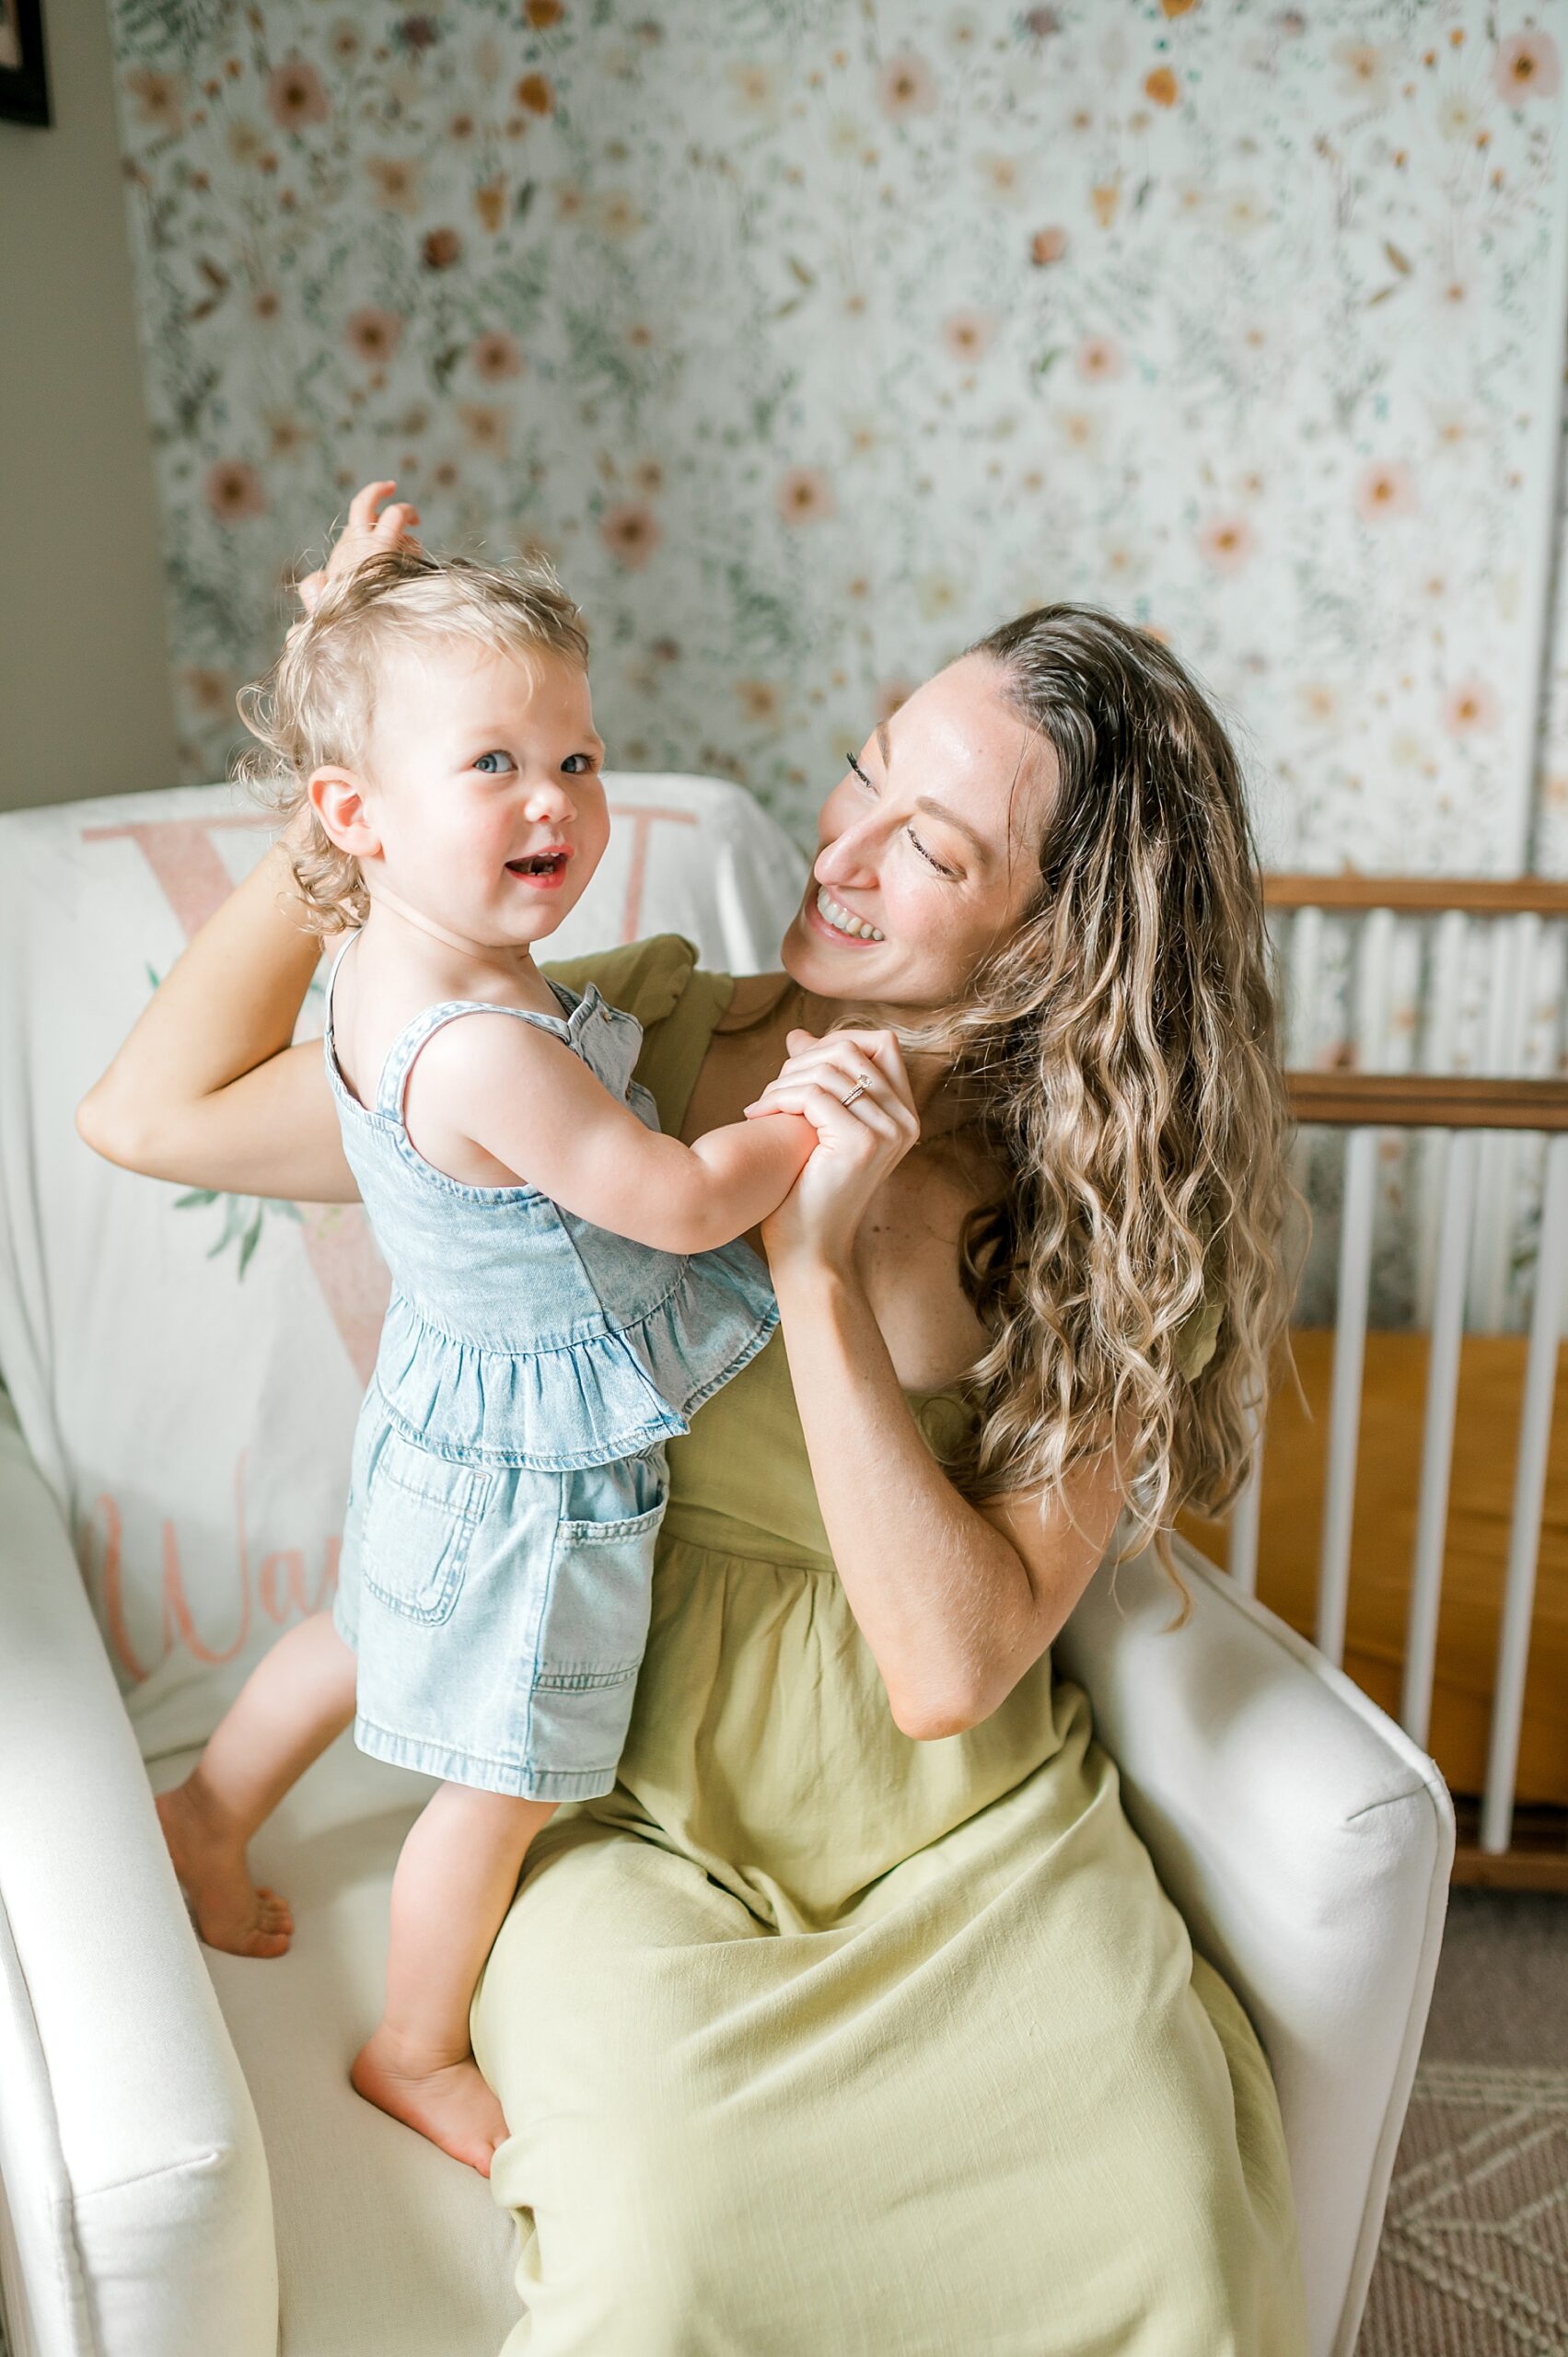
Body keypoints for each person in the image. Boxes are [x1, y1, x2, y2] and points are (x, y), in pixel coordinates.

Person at [80, 482, 1310, 2352]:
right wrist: (358, 789)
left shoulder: (1110, 1228)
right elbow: (150, 1118)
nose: (848, 851)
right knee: (672, 2249)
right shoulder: (614, 1045)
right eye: (862, 773)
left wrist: (812, 1267)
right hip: (617, 1789)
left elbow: (947, 1667)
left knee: (1166, 2209)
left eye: (941, 848)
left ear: (1059, 938)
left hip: (954, 1837)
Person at [84, 525, 817, 2176]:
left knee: (361, 1626)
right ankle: (414, 2048)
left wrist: (345, 635)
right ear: (357, 816)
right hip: (533, 1473)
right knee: (505, 1779)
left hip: (441, 1411)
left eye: (575, 754)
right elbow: (683, 1201)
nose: (551, 796)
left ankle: (205, 1809)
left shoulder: (381, 966)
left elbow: (381, 808)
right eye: (494, 762)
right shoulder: (488, 1043)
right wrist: (802, 1129)